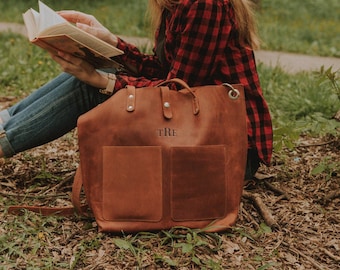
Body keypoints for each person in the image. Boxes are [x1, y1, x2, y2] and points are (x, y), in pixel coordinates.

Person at [0, 0, 272, 179]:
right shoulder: (173, 3)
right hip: (196, 127)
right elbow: (164, 71)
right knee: (95, 75)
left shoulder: (206, 4)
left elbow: (178, 91)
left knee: (93, 85)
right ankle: (5, 120)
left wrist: (104, 83)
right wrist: (109, 42)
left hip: (228, 150)